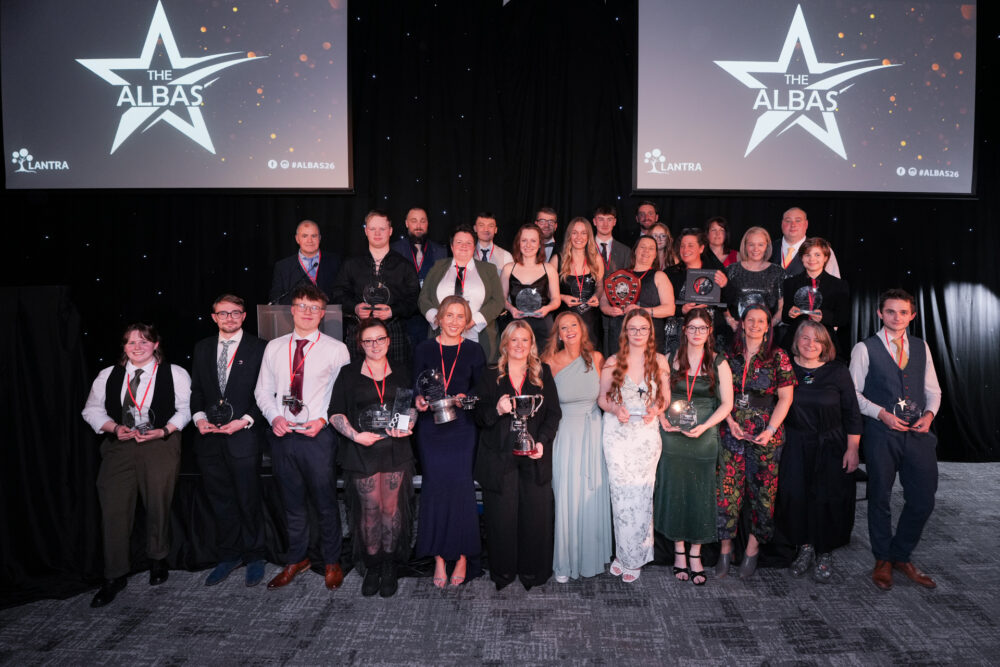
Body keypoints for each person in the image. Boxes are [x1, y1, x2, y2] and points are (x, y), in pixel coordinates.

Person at [81, 323, 192, 608]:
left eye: (144, 341)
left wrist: (165, 430)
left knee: (157, 502)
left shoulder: (175, 373)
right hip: (120, 446)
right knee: (114, 509)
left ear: (156, 345)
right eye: (131, 342)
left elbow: (185, 409)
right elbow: (91, 410)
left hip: (159, 444)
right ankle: (115, 574)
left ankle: (158, 559)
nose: (137, 347)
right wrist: (113, 427)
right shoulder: (108, 375)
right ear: (124, 347)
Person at [254, 283, 351, 591]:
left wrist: (322, 421)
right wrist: (275, 417)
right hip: (283, 435)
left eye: (314, 308)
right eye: (302, 306)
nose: (308, 313)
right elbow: (261, 391)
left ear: (322, 314)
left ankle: (332, 560)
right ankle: (297, 558)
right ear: (291, 310)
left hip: (318, 437)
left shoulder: (337, 350)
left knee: (325, 503)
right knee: (292, 503)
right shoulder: (274, 347)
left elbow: (342, 396)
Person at [849, 289, 942, 591]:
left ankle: (900, 554)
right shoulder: (865, 349)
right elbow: (854, 395)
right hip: (881, 434)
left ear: (912, 315)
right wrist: (881, 415)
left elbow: (934, 390)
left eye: (903, 312)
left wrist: (928, 415)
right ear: (880, 313)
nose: (897, 317)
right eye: (890, 311)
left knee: (923, 500)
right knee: (880, 498)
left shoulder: (920, 346)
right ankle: (882, 559)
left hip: (918, 435)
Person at [328, 319, 416, 598]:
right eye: (368, 340)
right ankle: (373, 565)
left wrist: (407, 425)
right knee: (369, 513)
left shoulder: (402, 371)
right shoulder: (348, 374)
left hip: (394, 450)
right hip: (361, 450)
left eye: (380, 339)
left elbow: (409, 407)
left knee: (391, 512)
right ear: (361, 344)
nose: (375, 345)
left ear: (389, 341)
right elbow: (335, 413)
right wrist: (354, 435)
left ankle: (389, 565)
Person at [474, 321, 562, 590]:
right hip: (498, 458)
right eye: (514, 340)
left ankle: (532, 573)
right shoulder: (489, 374)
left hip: (533, 456)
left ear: (532, 344)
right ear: (505, 344)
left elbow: (553, 414)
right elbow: (478, 416)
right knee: (501, 518)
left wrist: (543, 442)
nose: (520, 345)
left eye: (525, 340)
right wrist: (498, 410)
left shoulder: (542, 373)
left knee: (535, 517)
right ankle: (503, 573)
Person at [189, 294, 268, 587]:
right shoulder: (202, 348)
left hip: (244, 436)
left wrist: (245, 420)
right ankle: (229, 555)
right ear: (213, 317)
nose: (229, 318)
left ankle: (255, 555)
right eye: (223, 314)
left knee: (248, 499)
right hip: (209, 439)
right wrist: (198, 419)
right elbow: (197, 390)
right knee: (221, 501)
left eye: (235, 313)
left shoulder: (260, 348)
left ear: (245, 316)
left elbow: (267, 393)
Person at [777, 321, 862, 583]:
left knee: (827, 498)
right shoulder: (785, 367)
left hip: (832, 444)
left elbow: (851, 412)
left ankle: (824, 550)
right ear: (796, 341)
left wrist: (853, 449)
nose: (810, 344)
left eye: (817, 340)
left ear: (825, 345)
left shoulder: (837, 371)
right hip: (796, 443)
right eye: (804, 338)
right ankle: (804, 547)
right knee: (796, 496)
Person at [655, 309, 733, 586]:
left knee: (700, 493)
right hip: (673, 436)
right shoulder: (669, 358)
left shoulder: (719, 362)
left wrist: (705, 426)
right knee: (675, 490)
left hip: (703, 434)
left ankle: (696, 553)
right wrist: (663, 420)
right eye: (692, 328)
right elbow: (659, 396)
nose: (697, 333)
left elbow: (727, 404)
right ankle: (678, 552)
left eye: (702, 328)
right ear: (684, 330)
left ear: (710, 332)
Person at [717, 304, 795, 579]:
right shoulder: (727, 355)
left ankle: (752, 549)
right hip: (732, 431)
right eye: (750, 320)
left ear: (768, 326)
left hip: (765, 435)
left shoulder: (778, 356)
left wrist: (771, 429)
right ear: (741, 323)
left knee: (763, 495)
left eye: (761, 320)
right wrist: (729, 421)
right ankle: (725, 550)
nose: (755, 324)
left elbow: (785, 398)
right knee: (726, 494)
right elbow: (719, 393)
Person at [413, 296, 487, 588]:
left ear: (467, 321)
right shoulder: (424, 348)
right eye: (449, 315)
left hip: (462, 429)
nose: (455, 321)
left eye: (460, 316)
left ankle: (464, 556)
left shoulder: (474, 351)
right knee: (434, 491)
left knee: (461, 491)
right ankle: (439, 559)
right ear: (438, 319)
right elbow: (415, 387)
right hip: (431, 429)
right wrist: (418, 400)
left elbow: (480, 393)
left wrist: (464, 399)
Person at [597, 310, 668, 583]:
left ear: (651, 333)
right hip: (617, 433)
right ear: (625, 332)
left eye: (643, 329)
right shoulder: (613, 361)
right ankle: (622, 555)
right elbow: (602, 398)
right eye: (633, 328)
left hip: (646, 434)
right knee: (620, 495)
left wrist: (655, 409)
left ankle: (635, 557)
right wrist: (615, 408)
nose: (638, 333)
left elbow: (665, 398)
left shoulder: (659, 361)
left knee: (640, 494)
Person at [542, 311, 610, 582]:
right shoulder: (549, 362)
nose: (569, 330)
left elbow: (607, 396)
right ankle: (566, 561)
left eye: (574, 325)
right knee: (567, 494)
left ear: (582, 330)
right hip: (565, 433)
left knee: (591, 494)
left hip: (594, 430)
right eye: (563, 327)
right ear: (557, 334)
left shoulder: (596, 359)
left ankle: (591, 559)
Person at [332, 210, 420, 366]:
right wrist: (355, 308)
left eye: (382, 229)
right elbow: (338, 294)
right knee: (357, 384)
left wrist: (393, 311)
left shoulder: (404, 265)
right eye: (372, 229)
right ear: (366, 231)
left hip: (393, 333)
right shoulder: (351, 263)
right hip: (359, 332)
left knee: (396, 384)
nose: (377, 233)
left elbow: (415, 299)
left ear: (390, 231)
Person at [418, 225, 506, 362]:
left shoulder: (488, 269)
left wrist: (474, 321)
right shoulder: (437, 267)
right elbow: (423, 298)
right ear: (452, 246)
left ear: (474, 246)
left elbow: (498, 300)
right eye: (459, 242)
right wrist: (437, 318)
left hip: (478, 336)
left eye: (468, 243)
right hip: (442, 335)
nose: (463, 246)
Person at [600, 235, 675, 354]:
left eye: (651, 248)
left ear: (655, 254)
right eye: (643, 247)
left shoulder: (659, 276)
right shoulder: (619, 275)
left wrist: (641, 310)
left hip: (648, 338)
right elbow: (603, 300)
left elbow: (670, 309)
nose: (646, 251)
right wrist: (609, 310)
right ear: (635, 251)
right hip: (620, 336)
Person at [780, 237, 850, 355]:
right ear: (801, 258)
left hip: (824, 341)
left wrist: (824, 317)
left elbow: (843, 319)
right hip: (795, 340)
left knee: (818, 373)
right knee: (794, 372)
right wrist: (790, 313)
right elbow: (785, 317)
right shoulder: (790, 283)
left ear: (825, 258)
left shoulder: (839, 285)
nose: (812, 259)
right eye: (807, 255)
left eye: (817, 255)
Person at [664, 228, 730, 354]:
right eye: (682, 246)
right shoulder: (670, 273)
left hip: (708, 333)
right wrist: (681, 310)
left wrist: (725, 284)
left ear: (701, 248)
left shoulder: (715, 272)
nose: (685, 250)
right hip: (678, 333)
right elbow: (662, 303)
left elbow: (730, 301)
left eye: (690, 245)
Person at [392, 207, 448, 348]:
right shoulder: (393, 250)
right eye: (414, 221)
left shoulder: (441, 251)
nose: (418, 225)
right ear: (406, 223)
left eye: (422, 221)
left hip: (431, 319)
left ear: (427, 224)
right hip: (403, 318)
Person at [500, 223, 561, 352]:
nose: (528, 245)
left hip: (543, 327)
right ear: (518, 243)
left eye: (533, 241)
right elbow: (501, 299)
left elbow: (556, 299)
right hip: (516, 327)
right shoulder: (508, 269)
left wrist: (547, 308)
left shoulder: (549, 269)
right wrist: (511, 309)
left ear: (540, 244)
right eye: (524, 240)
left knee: (543, 367)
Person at [723, 227, 785, 330]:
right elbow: (721, 299)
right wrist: (730, 321)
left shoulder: (777, 271)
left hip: (766, 332)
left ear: (767, 246)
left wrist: (769, 327)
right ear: (745, 246)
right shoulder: (731, 270)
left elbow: (782, 306)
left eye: (760, 244)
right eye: (751, 244)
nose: (756, 249)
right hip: (736, 330)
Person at [556, 216, 604, 347]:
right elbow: (547, 292)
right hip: (566, 324)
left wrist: (597, 296)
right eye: (574, 232)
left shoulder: (596, 259)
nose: (579, 237)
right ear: (569, 235)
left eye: (583, 233)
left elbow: (600, 286)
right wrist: (562, 297)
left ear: (589, 236)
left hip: (590, 322)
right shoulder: (557, 260)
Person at [593, 205, 633, 357]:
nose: (605, 223)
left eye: (609, 220)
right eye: (601, 219)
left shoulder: (625, 251)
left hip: (616, 311)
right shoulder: (584, 248)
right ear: (594, 221)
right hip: (589, 308)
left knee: (614, 353)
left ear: (615, 222)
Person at [269, 219, 340, 305]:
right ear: (297, 239)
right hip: (294, 316)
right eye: (305, 236)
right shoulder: (283, 266)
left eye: (314, 236)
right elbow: (276, 298)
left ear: (320, 238)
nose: (309, 240)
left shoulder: (335, 262)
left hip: (328, 315)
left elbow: (340, 294)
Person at [777, 207, 841, 278]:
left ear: (806, 224)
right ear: (782, 223)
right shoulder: (767, 249)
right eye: (788, 221)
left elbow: (833, 284)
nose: (793, 225)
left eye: (798, 220)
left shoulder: (822, 249)